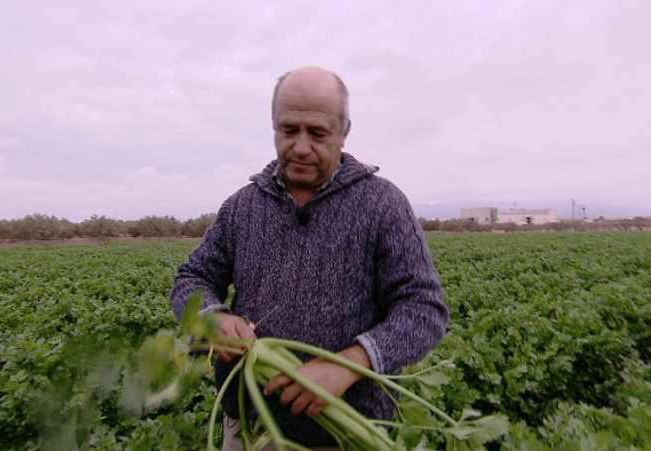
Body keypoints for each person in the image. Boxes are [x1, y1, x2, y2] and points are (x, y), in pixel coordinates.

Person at [170, 66, 448, 449]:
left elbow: (423, 308)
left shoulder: (383, 206)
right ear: (274, 126)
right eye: (289, 130)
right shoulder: (242, 207)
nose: (300, 147)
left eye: (317, 133)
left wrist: (350, 363)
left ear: (344, 130)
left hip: (346, 432)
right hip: (251, 429)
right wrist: (211, 318)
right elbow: (192, 279)